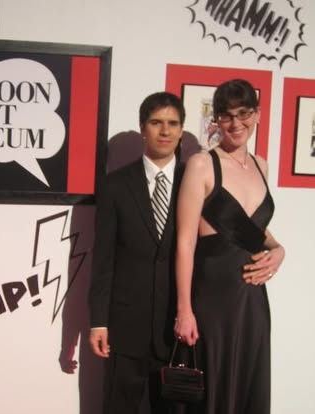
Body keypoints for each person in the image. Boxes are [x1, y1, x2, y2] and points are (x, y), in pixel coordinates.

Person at [174, 79, 285, 414]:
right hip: (212, 299)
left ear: (258, 114)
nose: (236, 123)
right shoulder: (201, 164)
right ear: (217, 120)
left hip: (252, 301)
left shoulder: (262, 165)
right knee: (213, 389)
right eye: (226, 116)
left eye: (244, 114)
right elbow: (185, 241)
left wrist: (279, 249)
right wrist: (184, 310)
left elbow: (254, 230)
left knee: (248, 384)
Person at [89, 92, 191, 414]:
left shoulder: (196, 181)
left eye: (173, 123)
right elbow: (103, 260)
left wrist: (275, 248)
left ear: (182, 129)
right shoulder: (114, 185)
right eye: (156, 122)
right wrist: (98, 322)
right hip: (125, 326)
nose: (165, 131)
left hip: (177, 328)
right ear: (142, 127)